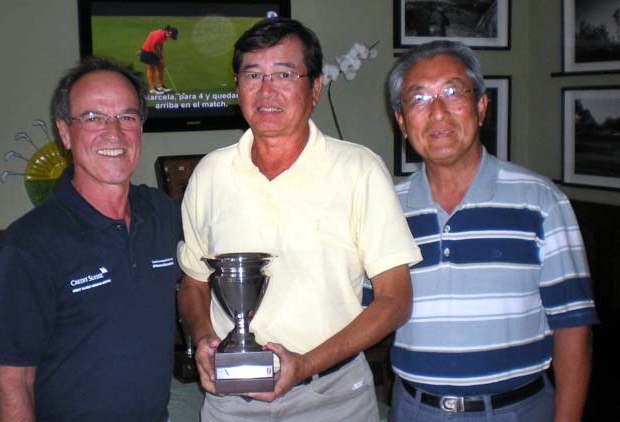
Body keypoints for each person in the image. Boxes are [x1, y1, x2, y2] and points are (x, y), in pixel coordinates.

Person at [177, 17, 422, 422]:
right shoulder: (209, 174)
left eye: (284, 74)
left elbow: (396, 300)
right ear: (237, 86)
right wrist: (204, 338)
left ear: (315, 89)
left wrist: (305, 364)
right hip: (231, 401)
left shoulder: (359, 169)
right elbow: (192, 284)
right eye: (252, 74)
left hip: (334, 396)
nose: (266, 89)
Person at [386, 40, 598, 421]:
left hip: (517, 410)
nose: (437, 112)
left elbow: (573, 327)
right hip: (415, 410)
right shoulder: (385, 207)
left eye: (453, 92)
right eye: (418, 99)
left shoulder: (541, 201)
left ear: (481, 107)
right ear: (402, 123)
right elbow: (367, 308)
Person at [0, 57, 182, 421]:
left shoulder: (162, 214)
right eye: (93, 118)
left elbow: (201, 283)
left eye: (127, 117)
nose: (114, 132)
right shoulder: (30, 242)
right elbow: (14, 380)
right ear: (65, 132)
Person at [139, 25, 178, 95]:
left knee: (161, 67)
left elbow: (160, 46)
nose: (170, 38)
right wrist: (160, 57)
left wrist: (162, 56)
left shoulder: (165, 35)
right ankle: (152, 89)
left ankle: (160, 86)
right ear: (168, 32)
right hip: (147, 52)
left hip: (153, 51)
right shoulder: (159, 36)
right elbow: (154, 47)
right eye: (171, 36)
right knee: (151, 69)